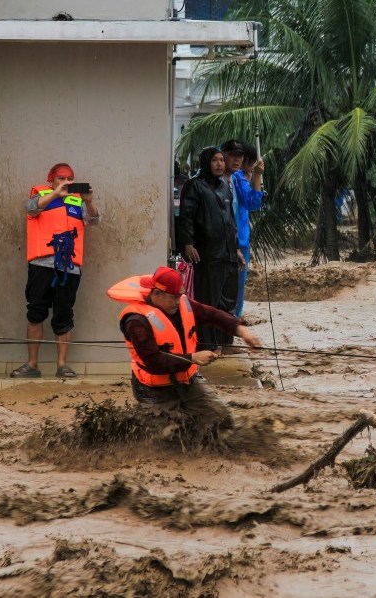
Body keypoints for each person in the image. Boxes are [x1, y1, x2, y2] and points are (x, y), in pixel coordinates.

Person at [107, 266, 262, 443]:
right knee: (170, 438)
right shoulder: (136, 321)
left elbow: (211, 315)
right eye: (174, 297)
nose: (178, 301)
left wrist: (241, 330)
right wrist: (193, 358)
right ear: (157, 294)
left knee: (222, 420)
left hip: (187, 381)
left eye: (180, 295)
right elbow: (154, 362)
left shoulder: (181, 304)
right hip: (153, 390)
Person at [11, 163, 101, 379]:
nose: (66, 182)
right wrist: (55, 194)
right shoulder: (40, 196)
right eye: (61, 178)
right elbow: (31, 209)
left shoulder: (77, 200)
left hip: (69, 268)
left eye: (70, 178)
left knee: (64, 315)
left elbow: (94, 220)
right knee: (36, 313)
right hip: (41, 265)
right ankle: (32, 365)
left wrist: (89, 201)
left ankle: (62, 365)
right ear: (51, 180)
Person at [177, 147, 240, 349]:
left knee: (228, 302)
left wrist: (237, 249)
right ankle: (207, 345)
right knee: (208, 302)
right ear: (206, 162)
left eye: (222, 160)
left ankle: (225, 343)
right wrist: (188, 243)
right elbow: (186, 217)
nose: (220, 164)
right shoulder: (194, 185)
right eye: (215, 160)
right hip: (208, 254)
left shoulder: (225, 186)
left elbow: (230, 220)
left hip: (228, 253)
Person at [220, 140, 265, 317]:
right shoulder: (238, 177)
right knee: (236, 288)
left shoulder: (235, 178)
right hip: (237, 240)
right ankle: (233, 320)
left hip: (239, 239)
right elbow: (253, 202)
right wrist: (257, 177)